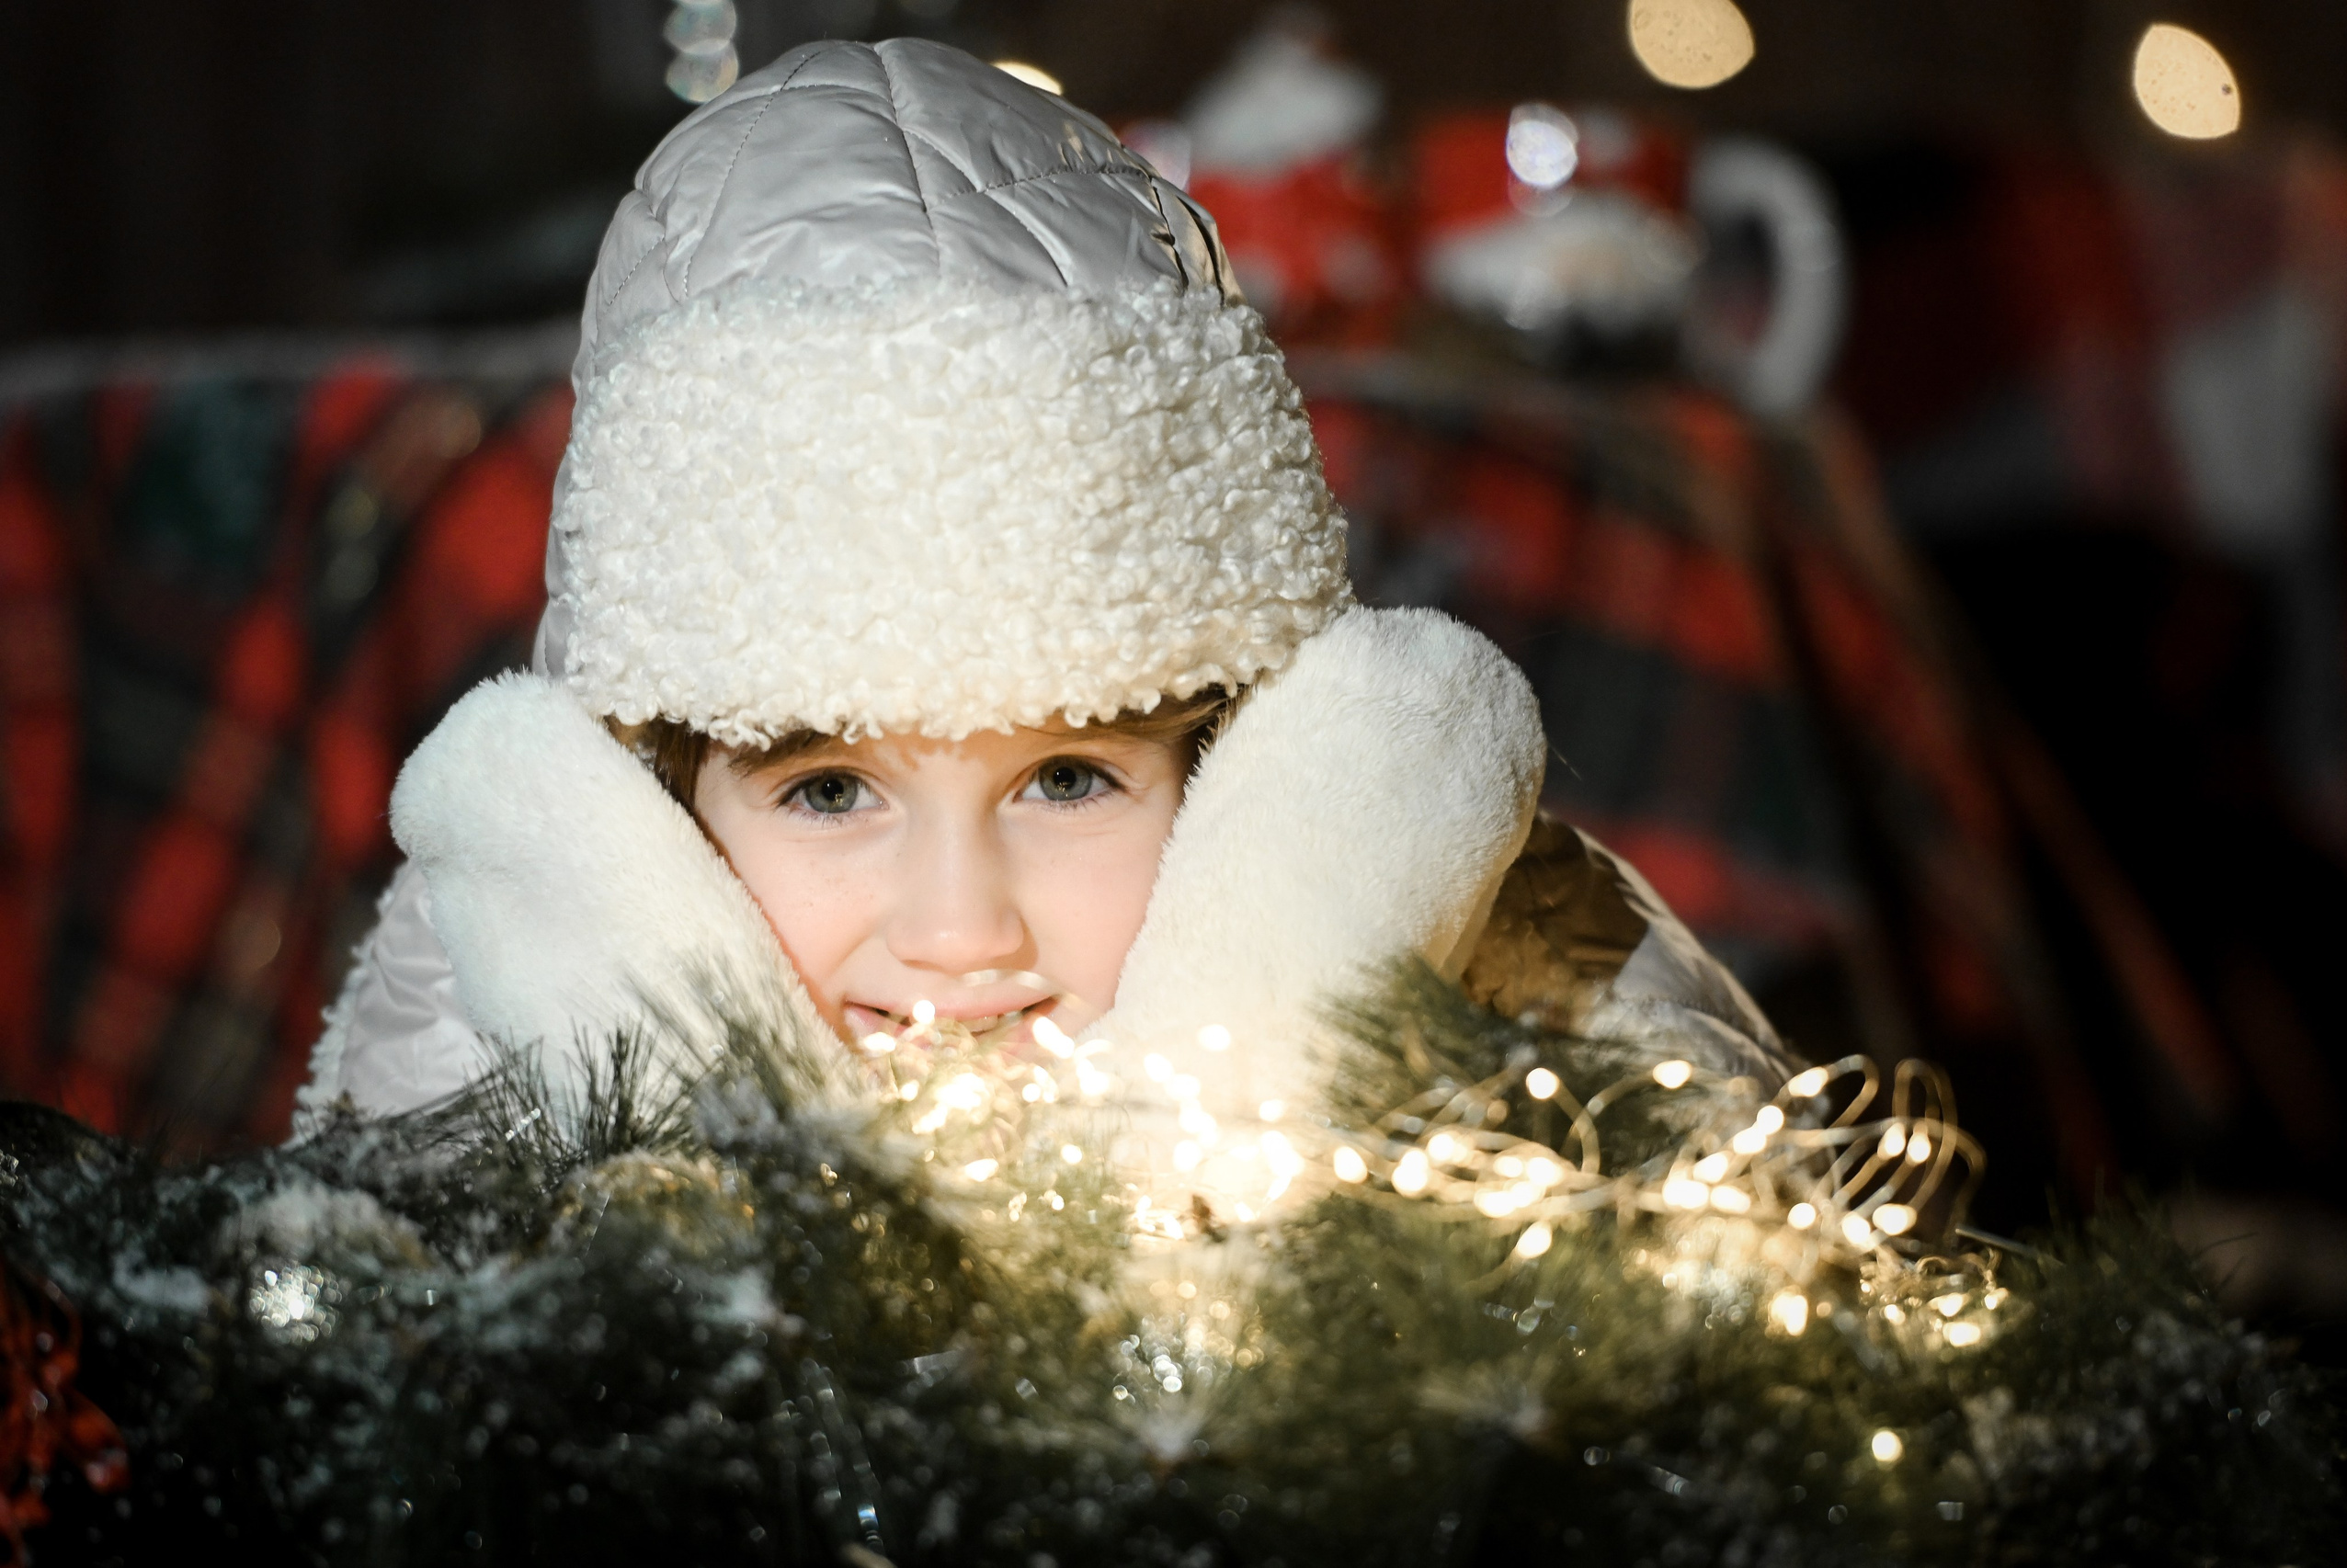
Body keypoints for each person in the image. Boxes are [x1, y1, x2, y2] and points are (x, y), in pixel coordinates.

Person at [293, 38, 1785, 1206]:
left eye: (1069, 777)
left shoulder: (1498, 1087)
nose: (960, 935)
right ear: (650, 809)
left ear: (1252, 765)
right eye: (829, 788)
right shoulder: (494, 1072)